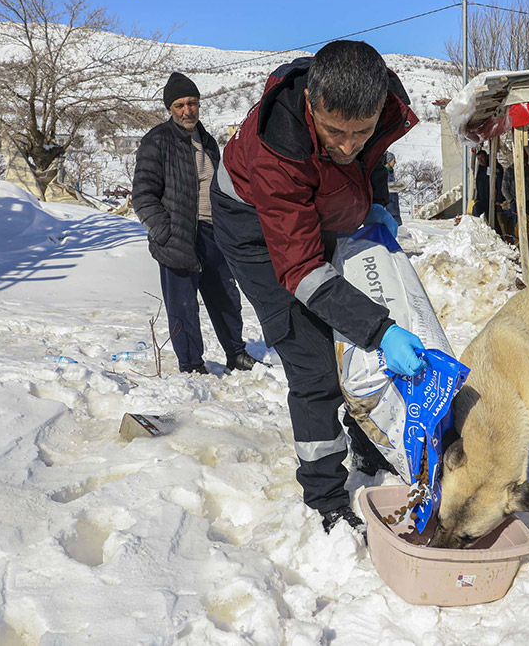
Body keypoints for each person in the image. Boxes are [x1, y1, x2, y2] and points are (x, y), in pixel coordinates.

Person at [210, 41, 426, 536]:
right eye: (335, 132)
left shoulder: (380, 110)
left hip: (322, 207)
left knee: (356, 332)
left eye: (361, 131)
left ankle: (369, 442)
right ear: (310, 104)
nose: (348, 145)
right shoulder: (277, 149)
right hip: (254, 228)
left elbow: (370, 159)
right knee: (312, 360)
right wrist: (380, 330)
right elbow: (301, 269)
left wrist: (377, 204)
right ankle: (326, 494)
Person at [132, 72, 260, 375]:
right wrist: (164, 232)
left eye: (191, 103)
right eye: (179, 105)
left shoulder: (208, 141)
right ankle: (191, 364)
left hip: (214, 233)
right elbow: (142, 194)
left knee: (226, 297)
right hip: (177, 238)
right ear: (170, 109)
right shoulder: (157, 141)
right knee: (183, 306)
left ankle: (236, 353)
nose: (187, 110)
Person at [471, 149, 503, 224]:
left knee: (492, 220)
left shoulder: (495, 166)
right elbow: (478, 184)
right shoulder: (480, 169)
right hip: (483, 198)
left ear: (486, 157)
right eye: (478, 159)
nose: (480, 160)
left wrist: (499, 199)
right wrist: (478, 197)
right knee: (478, 209)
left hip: (492, 199)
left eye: (482, 157)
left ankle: (475, 226)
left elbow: (500, 183)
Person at [381, 151, 403, 225]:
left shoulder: (391, 171)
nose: (395, 162)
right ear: (388, 160)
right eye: (393, 160)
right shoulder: (383, 171)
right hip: (388, 200)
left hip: (393, 199)